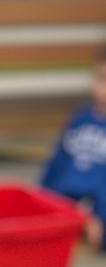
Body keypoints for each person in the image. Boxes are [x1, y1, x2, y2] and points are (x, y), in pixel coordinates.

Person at [41, 45, 106, 250]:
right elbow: (56, 166)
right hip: (67, 205)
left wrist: (97, 216)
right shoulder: (79, 119)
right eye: (102, 78)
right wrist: (43, 200)